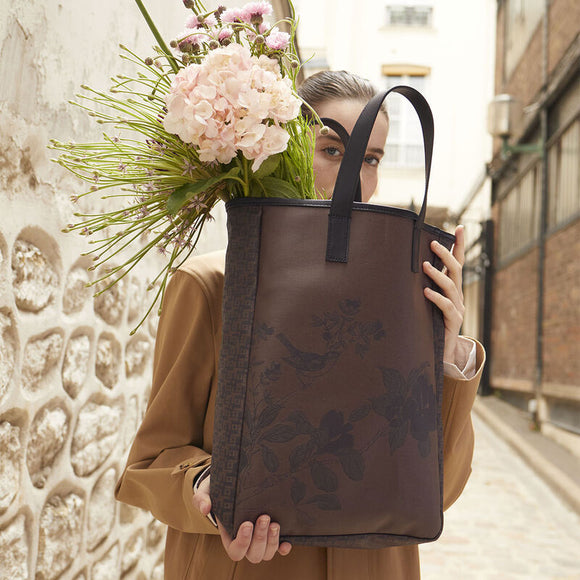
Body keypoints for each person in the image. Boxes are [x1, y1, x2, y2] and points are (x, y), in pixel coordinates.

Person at [115, 70, 485, 580]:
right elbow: (150, 462)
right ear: (281, 151)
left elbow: (440, 489)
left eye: (371, 159)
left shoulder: (407, 295)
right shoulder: (210, 285)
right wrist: (206, 487)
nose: (356, 176)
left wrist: (445, 353)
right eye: (332, 150)